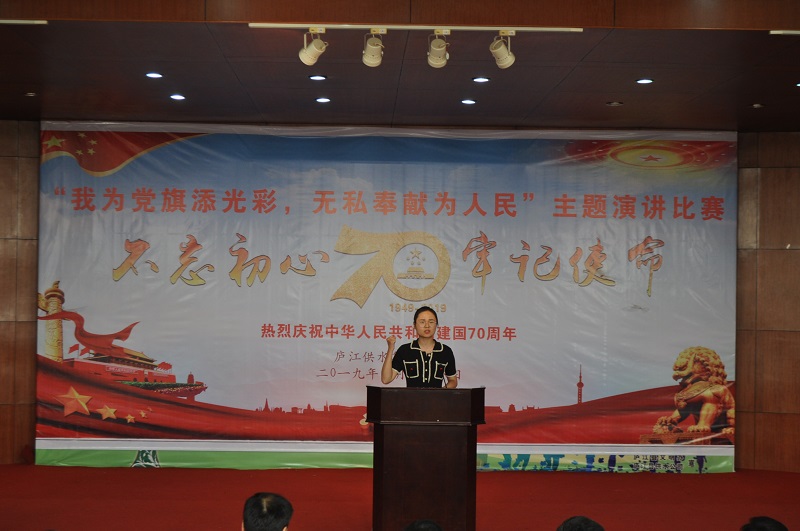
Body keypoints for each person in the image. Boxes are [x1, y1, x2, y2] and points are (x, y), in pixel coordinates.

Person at [381, 306, 458, 389]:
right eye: (422, 322)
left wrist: (439, 393)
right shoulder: (405, 350)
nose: (427, 325)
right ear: (414, 325)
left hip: (437, 398)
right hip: (411, 397)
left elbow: (453, 380)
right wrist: (390, 348)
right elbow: (386, 379)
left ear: (436, 325)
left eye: (431, 322)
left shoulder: (445, 351)